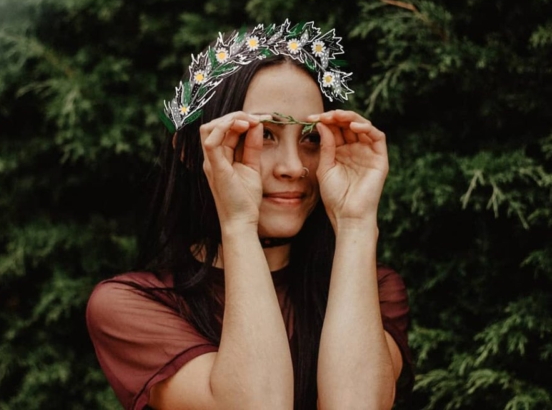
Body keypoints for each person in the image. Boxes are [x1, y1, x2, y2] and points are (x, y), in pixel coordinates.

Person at [86, 20, 413, 410]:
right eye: (263, 135)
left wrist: (355, 223)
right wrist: (238, 224)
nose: (293, 167)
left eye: (310, 137)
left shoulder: (372, 289)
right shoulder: (130, 305)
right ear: (192, 151)